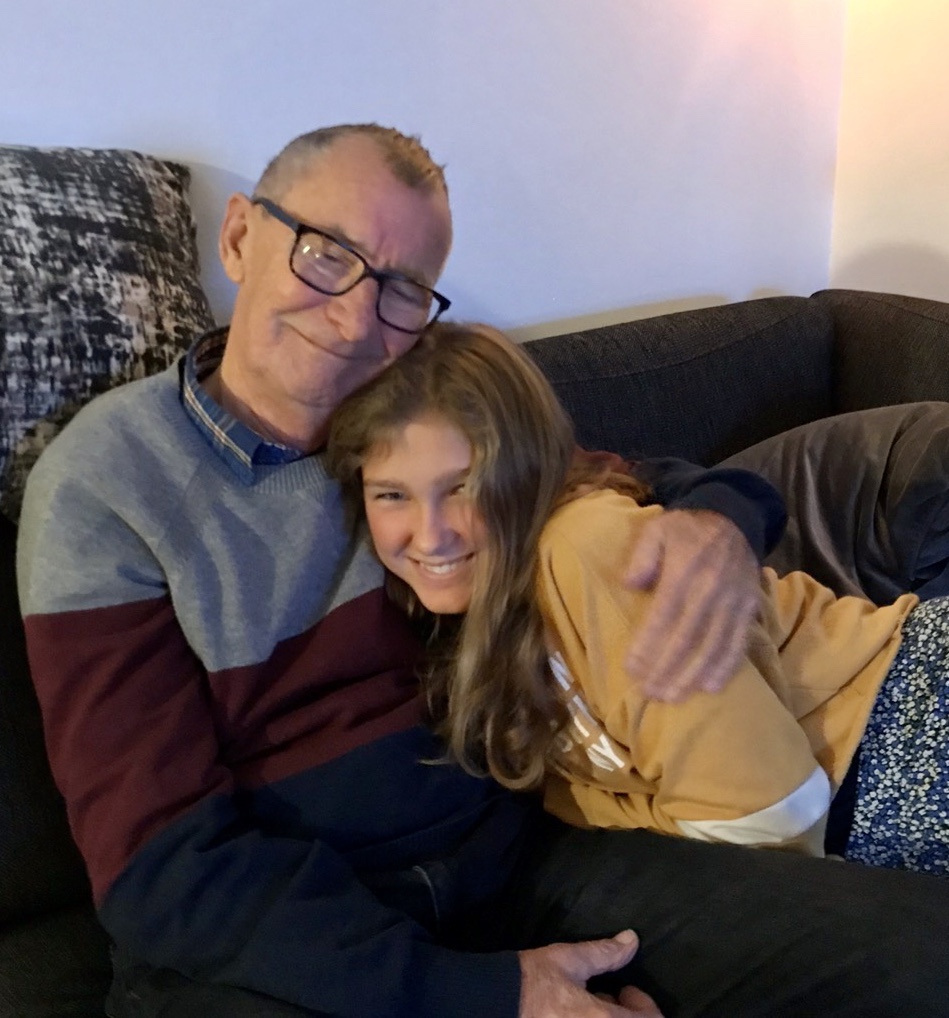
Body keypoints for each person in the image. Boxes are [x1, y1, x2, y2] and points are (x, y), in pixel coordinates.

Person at [14, 122, 949, 1017]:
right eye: (325, 254)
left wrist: (721, 522)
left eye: (400, 287)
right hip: (297, 921)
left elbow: (617, 485)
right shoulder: (106, 483)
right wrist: (484, 998)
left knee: (917, 954)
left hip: (521, 861)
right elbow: (161, 867)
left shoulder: (410, 416)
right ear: (238, 237)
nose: (352, 318)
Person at [327, 319, 949, 874]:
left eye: (464, 486)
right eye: (392, 495)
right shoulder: (461, 619)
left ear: (525, 472)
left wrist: (607, 814)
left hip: (909, 712)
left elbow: (770, 813)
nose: (430, 535)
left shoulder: (582, 548)